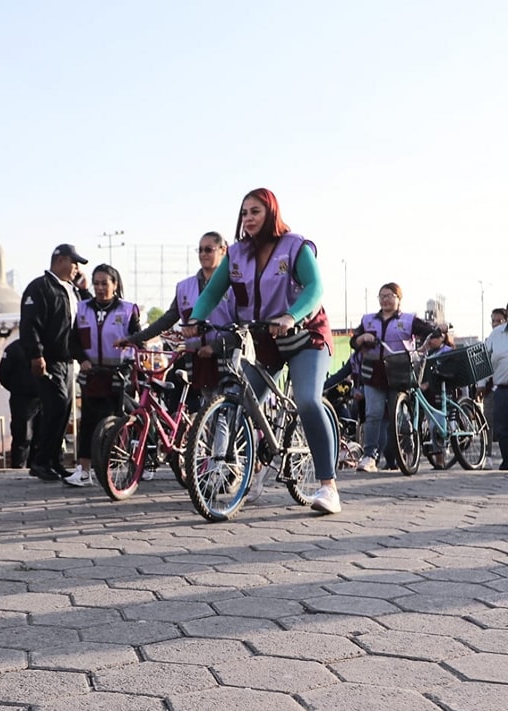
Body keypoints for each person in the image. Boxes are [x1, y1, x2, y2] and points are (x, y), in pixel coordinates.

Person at [184, 188, 341, 514]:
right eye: (244, 213)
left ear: (271, 212)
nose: (248, 218)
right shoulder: (237, 254)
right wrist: (196, 319)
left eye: (255, 211)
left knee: (307, 400)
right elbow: (212, 292)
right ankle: (243, 469)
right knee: (237, 398)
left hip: (305, 336)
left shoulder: (294, 246)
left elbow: (315, 288)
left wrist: (290, 316)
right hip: (266, 340)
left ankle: (328, 487)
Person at [121, 232, 234, 415]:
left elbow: (241, 325)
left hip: (228, 359)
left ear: (223, 250)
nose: (203, 254)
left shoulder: (234, 284)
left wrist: (215, 346)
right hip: (198, 360)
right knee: (209, 412)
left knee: (223, 413)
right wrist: (133, 339)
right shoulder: (185, 287)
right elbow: (167, 320)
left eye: (209, 249)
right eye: (200, 250)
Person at [19, 243, 90, 483]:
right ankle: (40, 461)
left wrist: (84, 289)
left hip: (68, 360)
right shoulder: (40, 287)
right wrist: (36, 354)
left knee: (64, 411)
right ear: (60, 260)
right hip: (49, 359)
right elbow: (30, 324)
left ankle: (53, 461)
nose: (77, 268)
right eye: (74, 262)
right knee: (55, 407)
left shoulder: (71, 289)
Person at [65, 263, 140, 486]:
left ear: (115, 285)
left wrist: (128, 355)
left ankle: (118, 468)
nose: (99, 288)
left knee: (116, 421)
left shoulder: (127, 310)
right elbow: (73, 340)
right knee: (87, 421)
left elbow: (139, 340)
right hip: (92, 374)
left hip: (119, 375)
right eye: (96, 283)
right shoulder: (83, 308)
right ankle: (84, 470)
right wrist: (82, 360)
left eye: (104, 283)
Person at [350, 282, 436, 473]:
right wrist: (362, 339)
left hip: (399, 372)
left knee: (400, 416)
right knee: (373, 414)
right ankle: (370, 456)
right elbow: (353, 341)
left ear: (399, 299)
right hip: (374, 373)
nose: (385, 299)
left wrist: (434, 334)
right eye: (382, 296)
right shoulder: (368, 320)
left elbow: (428, 330)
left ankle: (407, 451)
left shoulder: (408, 320)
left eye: (390, 295)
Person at [0, 338, 42, 469]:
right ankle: (18, 468)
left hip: (42, 398)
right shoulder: (13, 348)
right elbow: (2, 374)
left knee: (40, 437)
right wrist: (18, 388)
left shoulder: (45, 346)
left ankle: (36, 467)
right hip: (22, 399)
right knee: (22, 436)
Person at [483, 305, 508, 469]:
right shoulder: (496, 335)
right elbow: (484, 361)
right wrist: (480, 384)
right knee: (501, 428)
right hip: (502, 388)